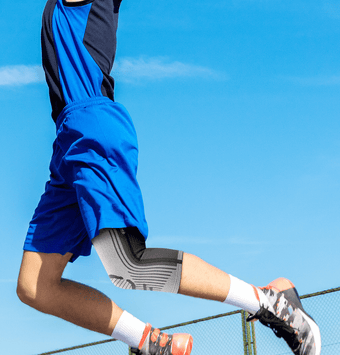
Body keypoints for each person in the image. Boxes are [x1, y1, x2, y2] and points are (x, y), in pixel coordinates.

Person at [16, 0, 322, 354]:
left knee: (127, 263)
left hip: (92, 129)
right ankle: (150, 343)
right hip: (69, 139)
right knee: (35, 284)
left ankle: (271, 303)